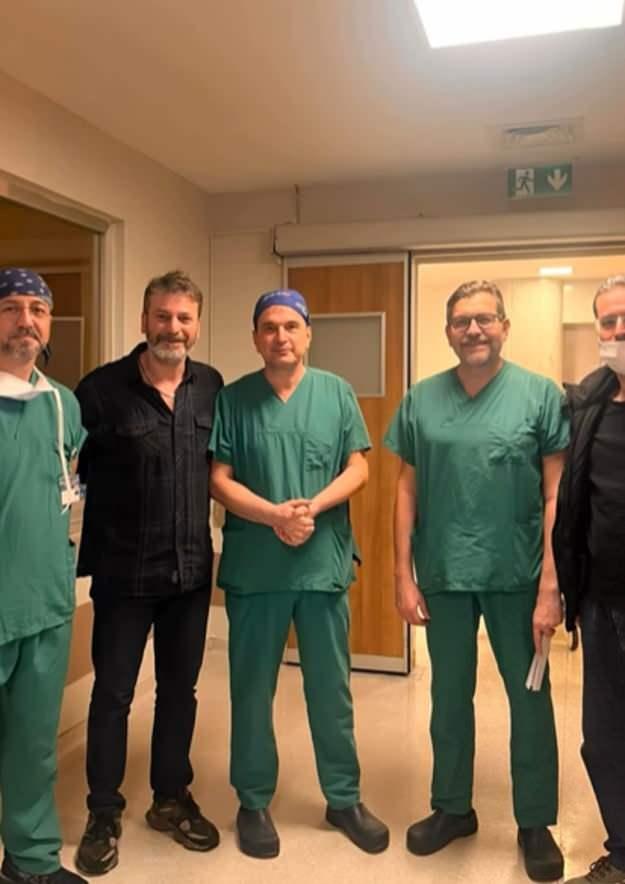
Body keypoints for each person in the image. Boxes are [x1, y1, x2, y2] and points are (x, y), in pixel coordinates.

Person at [385, 280, 569, 882]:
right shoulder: (422, 399)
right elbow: (406, 488)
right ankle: (452, 808)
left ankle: (534, 821)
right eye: (462, 321)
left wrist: (551, 582)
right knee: (448, 696)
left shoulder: (539, 396)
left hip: (517, 572)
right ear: (448, 332)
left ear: (504, 327)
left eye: (485, 319)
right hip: (443, 572)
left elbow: (555, 493)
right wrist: (403, 574)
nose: (474, 330)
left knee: (529, 697)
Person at [209, 288, 389, 859]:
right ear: (255, 338)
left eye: (291, 326)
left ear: (308, 334)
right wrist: (273, 516)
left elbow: (358, 467)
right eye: (269, 327)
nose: (280, 336)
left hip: (320, 564)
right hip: (257, 569)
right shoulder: (234, 398)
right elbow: (219, 478)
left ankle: (344, 798)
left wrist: (309, 508)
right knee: (251, 689)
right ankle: (253, 800)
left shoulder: (336, 392)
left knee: (330, 689)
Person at [73, 270, 223, 876]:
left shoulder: (211, 387)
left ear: (197, 324)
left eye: (184, 318)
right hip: (122, 575)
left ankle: (170, 798)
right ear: (144, 320)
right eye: (162, 316)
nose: (173, 328)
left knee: (179, 692)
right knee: (112, 695)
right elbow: (66, 471)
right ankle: (102, 812)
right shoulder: (100, 391)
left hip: (190, 573)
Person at [0, 268, 86, 884]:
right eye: (11, 307)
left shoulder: (63, 404)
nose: (26, 320)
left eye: (38, 309)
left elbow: (64, 488)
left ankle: (29, 861)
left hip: (45, 602)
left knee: (33, 745)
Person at [554, 276, 625, 884]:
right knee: (603, 738)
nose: (619, 331)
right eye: (608, 321)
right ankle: (623, 853)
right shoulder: (589, 405)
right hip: (601, 602)